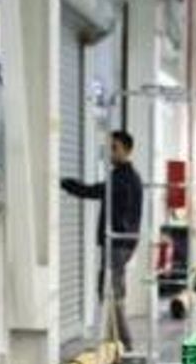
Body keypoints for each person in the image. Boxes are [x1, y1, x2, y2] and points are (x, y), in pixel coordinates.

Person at [62, 130, 144, 350]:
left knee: (111, 293)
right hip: (122, 243)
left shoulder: (123, 178)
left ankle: (125, 344)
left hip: (118, 244)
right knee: (110, 292)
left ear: (127, 150)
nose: (110, 152)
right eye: (109, 147)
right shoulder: (126, 176)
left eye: (115, 147)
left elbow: (94, 191)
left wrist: (65, 184)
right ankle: (113, 342)